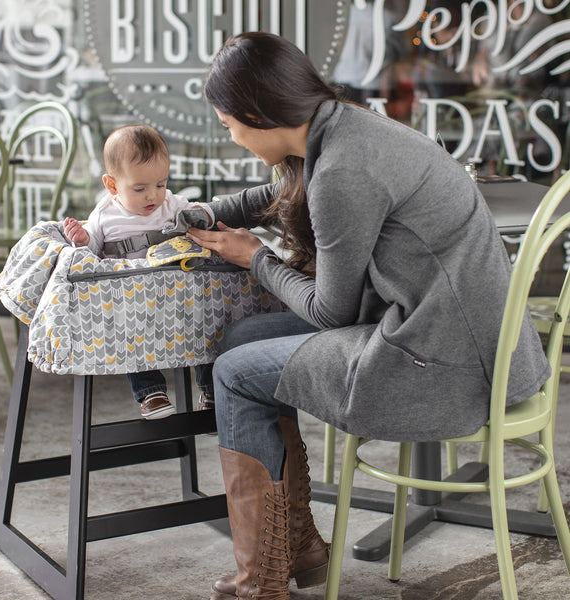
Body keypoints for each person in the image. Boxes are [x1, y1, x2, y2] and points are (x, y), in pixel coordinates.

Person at [186, 32, 551, 600]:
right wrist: (209, 212)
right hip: (482, 344)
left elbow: (329, 313)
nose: (229, 136)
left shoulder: (341, 173)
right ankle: (298, 546)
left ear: (259, 114)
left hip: (439, 364)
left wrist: (253, 257)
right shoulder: (346, 126)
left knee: (235, 371)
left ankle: (260, 581)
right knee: (242, 338)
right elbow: (283, 189)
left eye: (229, 123)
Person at [63, 124, 216, 420]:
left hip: (178, 295)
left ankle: (211, 391)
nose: (153, 196)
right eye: (140, 188)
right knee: (129, 333)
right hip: (133, 302)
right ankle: (151, 393)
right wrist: (81, 239)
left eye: (160, 184)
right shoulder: (105, 214)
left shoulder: (171, 205)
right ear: (112, 185)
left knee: (207, 322)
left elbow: (198, 215)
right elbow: (91, 250)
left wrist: (206, 216)